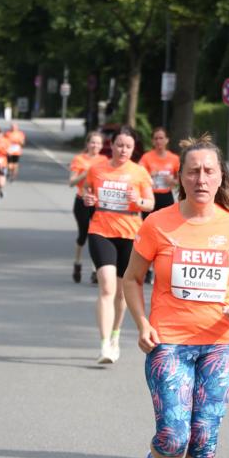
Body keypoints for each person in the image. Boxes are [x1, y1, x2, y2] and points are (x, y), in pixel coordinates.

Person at [123, 135, 229, 458]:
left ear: (221, 177)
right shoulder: (158, 223)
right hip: (170, 342)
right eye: (193, 171)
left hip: (222, 343)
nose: (201, 178)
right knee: (173, 436)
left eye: (209, 171)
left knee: (205, 433)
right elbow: (132, 279)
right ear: (180, 177)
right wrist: (141, 323)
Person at [82, 125, 154, 363]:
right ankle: (104, 345)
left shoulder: (139, 172)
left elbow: (150, 204)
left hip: (130, 235)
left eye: (128, 146)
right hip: (100, 231)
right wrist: (88, 198)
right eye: (120, 145)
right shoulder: (97, 169)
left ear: (133, 149)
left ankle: (115, 334)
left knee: (122, 294)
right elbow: (87, 192)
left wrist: (138, 200)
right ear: (111, 146)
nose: (123, 150)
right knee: (107, 287)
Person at [139, 127, 180, 283]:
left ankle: (162, 267)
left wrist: (173, 181)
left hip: (166, 196)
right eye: (156, 138)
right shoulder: (147, 157)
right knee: (148, 232)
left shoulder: (174, 159)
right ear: (152, 141)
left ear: (167, 140)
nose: (158, 141)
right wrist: (150, 176)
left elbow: (182, 179)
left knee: (165, 233)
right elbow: (139, 175)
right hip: (150, 197)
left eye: (161, 138)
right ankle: (148, 269)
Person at [67, 130, 107, 283]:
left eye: (98, 143)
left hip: (98, 203)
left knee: (96, 235)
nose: (95, 145)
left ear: (102, 146)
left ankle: (95, 270)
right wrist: (86, 174)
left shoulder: (105, 160)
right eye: (92, 142)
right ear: (88, 144)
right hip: (82, 201)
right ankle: (77, 263)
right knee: (83, 234)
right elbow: (71, 182)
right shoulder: (79, 159)